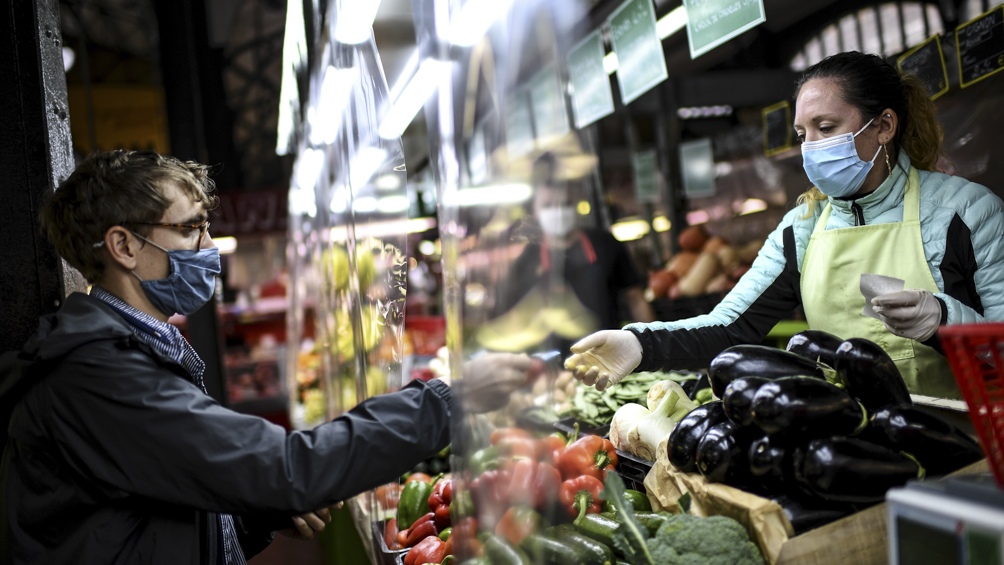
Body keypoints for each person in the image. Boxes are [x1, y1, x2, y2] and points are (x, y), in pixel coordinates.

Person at [0, 150, 530, 564]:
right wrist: (446, 400)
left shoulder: (130, 350)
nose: (209, 245)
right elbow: (288, 468)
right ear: (124, 246)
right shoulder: (101, 375)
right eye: (189, 229)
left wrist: (255, 514)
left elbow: (153, 510)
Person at [565, 51, 1004, 400]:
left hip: (969, 440)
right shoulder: (804, 227)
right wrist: (640, 345)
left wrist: (943, 320)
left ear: (884, 126)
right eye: (802, 134)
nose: (810, 147)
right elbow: (731, 327)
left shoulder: (966, 212)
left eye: (826, 127)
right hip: (854, 446)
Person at [494, 152, 654, 354]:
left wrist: (651, 348)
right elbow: (515, 320)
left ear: (576, 202)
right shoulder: (527, 259)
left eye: (565, 204)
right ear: (535, 211)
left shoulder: (605, 244)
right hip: (556, 371)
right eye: (548, 206)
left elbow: (636, 299)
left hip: (610, 359)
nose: (558, 212)